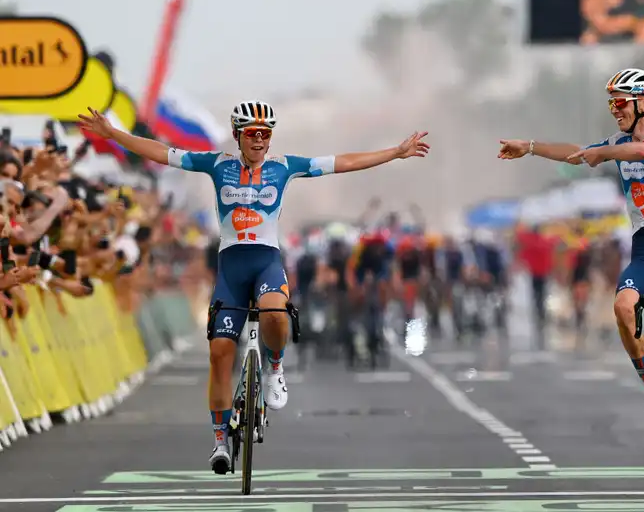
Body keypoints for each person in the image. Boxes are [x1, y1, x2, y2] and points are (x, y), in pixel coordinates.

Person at [78, 101, 430, 474]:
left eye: (265, 134)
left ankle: (274, 367)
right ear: (238, 136)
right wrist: (114, 134)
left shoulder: (284, 167)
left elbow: (342, 162)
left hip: (266, 263)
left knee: (276, 314)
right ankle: (219, 442)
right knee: (219, 354)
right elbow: (162, 154)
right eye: (252, 134)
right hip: (230, 270)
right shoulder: (217, 165)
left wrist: (395, 152)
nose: (260, 140)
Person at [497, 68, 644, 457]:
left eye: (620, 101)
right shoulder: (615, 141)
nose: (614, 110)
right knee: (622, 306)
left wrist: (602, 152)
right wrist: (531, 146)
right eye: (611, 103)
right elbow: (575, 154)